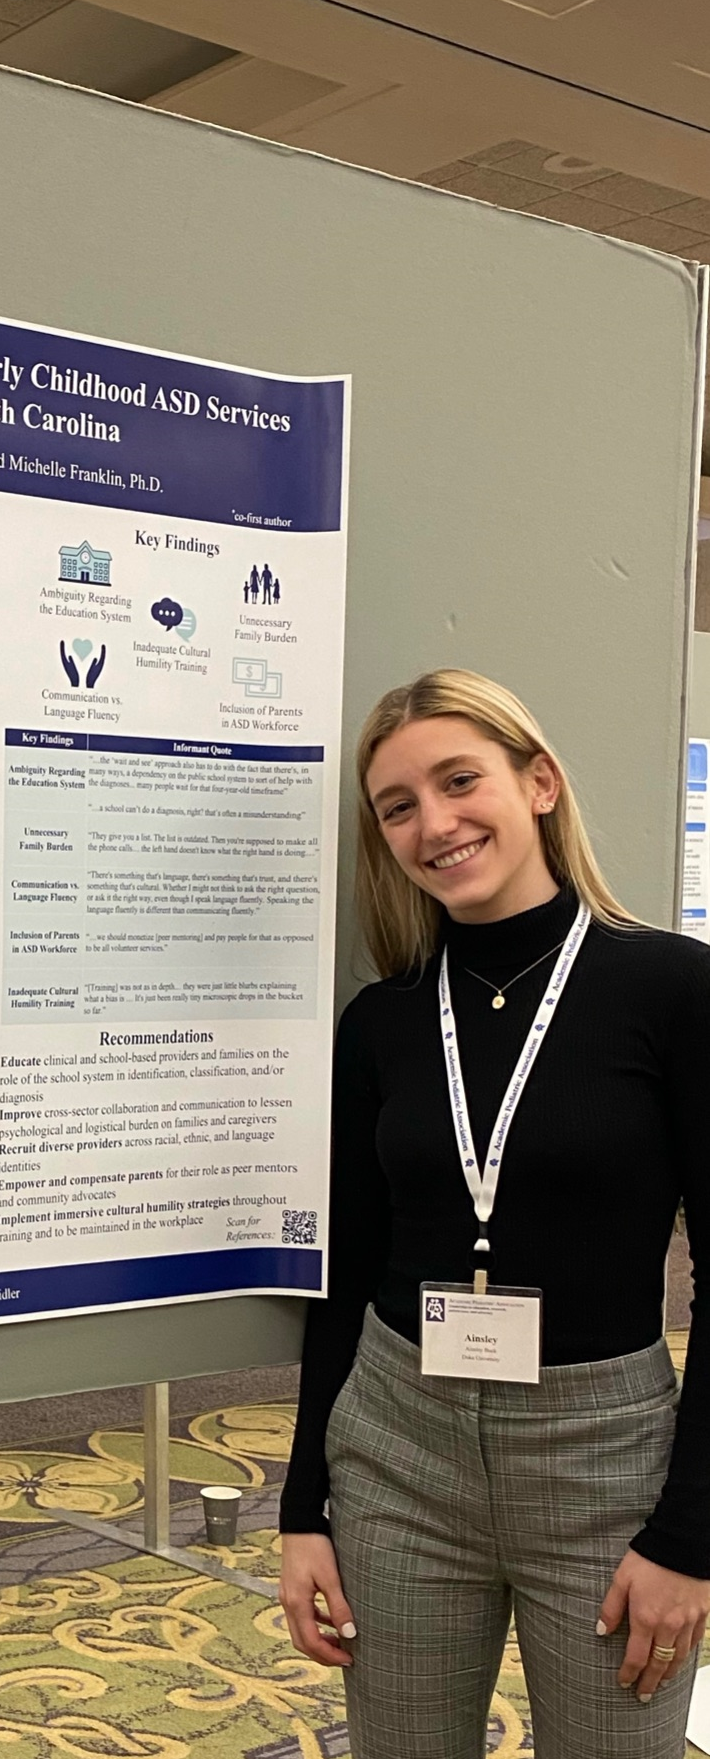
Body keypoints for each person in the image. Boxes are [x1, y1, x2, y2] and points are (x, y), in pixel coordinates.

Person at [278, 668, 710, 1757]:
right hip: (396, 1450)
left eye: (458, 779)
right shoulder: (377, 1022)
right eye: (397, 806)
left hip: (603, 1459)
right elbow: (346, 1272)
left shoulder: (670, 990)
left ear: (540, 783)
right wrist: (302, 1509)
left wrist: (692, 1537)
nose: (434, 822)